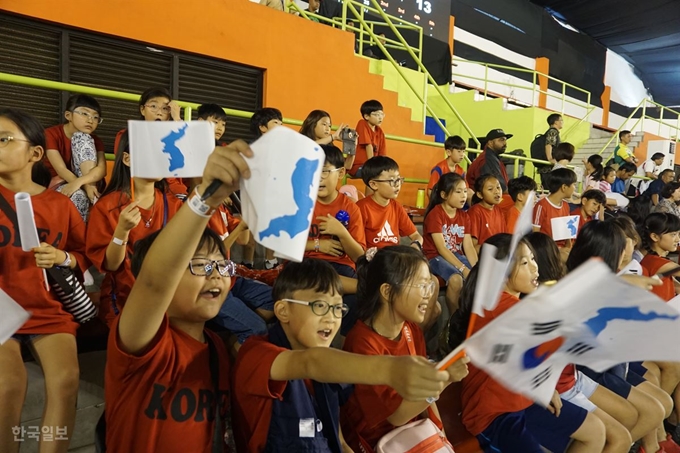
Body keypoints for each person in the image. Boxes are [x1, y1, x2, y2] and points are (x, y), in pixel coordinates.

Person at [103, 140, 251, 452]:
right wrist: (205, 197)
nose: (214, 274)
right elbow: (156, 281)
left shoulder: (219, 351)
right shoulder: (141, 343)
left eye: (219, 265)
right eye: (199, 266)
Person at [232, 258, 461, 453]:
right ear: (283, 310)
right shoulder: (257, 354)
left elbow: (339, 440)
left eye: (337, 308)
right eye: (320, 306)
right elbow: (310, 363)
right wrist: (391, 370)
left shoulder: (333, 365)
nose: (331, 318)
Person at [448, 234, 607, 453]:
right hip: (494, 414)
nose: (535, 268)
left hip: (522, 398)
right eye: (525, 263)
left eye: (533, 259)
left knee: (595, 431)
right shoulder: (498, 306)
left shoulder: (513, 302)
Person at [0, 109, 87, 453]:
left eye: (5, 139)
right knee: (7, 384)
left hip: (49, 308)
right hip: (2, 312)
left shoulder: (60, 204)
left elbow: (84, 255)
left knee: (66, 381)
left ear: (34, 153)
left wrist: (62, 257)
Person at [340, 246, 470, 452]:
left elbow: (424, 394)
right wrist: (444, 378)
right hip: (376, 442)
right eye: (420, 285)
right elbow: (397, 416)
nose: (428, 295)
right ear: (387, 291)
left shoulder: (411, 330)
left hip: (411, 431)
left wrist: (440, 433)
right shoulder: (362, 343)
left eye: (429, 285)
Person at [566, 220, 676, 453]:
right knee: (649, 413)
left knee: (661, 406)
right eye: (621, 247)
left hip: (612, 365)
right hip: (592, 371)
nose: (628, 249)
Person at [86, 135, 183, 326]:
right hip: (123, 299)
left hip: (169, 297)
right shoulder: (107, 207)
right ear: (127, 159)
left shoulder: (175, 205)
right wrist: (122, 231)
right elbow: (111, 265)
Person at [305, 144, 366, 334]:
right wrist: (318, 244)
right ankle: (360, 287)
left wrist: (341, 232)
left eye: (324, 171)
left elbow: (359, 256)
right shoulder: (301, 203)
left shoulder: (351, 207)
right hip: (307, 265)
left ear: (340, 174)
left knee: (356, 303)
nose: (317, 177)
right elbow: (279, 249)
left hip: (342, 268)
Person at [113, 87, 186, 198]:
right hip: (139, 190)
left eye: (165, 109)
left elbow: (187, 159)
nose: (159, 113)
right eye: (153, 106)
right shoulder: (127, 135)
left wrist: (177, 120)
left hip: (174, 192)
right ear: (142, 110)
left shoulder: (171, 137)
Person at [44, 94, 107, 220]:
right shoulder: (50, 134)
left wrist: (82, 183)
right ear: (68, 115)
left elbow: (102, 169)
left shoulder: (94, 140)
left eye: (96, 117)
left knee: (82, 138)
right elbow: (61, 169)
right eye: (84, 114)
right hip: (59, 182)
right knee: (79, 196)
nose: (90, 120)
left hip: (89, 182)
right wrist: (85, 187)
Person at [422, 173, 478, 313]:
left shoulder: (464, 216)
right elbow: (441, 249)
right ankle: (453, 322)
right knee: (456, 280)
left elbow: (468, 246)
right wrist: (463, 269)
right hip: (434, 257)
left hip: (454, 254)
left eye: (465, 191)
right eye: (458, 192)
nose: (463, 196)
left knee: (479, 275)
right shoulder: (436, 214)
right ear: (444, 194)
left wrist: (477, 268)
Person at [241, 107, 283, 269]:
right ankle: (247, 265)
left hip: (273, 196)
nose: (280, 125)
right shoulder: (253, 148)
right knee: (250, 236)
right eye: (275, 122)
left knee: (270, 232)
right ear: (263, 128)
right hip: (253, 196)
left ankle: (270, 263)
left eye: (281, 122)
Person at [357, 156, 422, 250]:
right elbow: (358, 246)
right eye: (391, 181)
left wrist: (415, 245)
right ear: (374, 184)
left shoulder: (397, 207)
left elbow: (416, 235)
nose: (397, 185)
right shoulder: (361, 208)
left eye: (398, 179)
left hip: (393, 258)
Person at [639, 212, 680, 302]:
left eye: (678, 234)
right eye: (673, 235)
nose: (677, 239)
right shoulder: (658, 263)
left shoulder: (651, 259)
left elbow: (676, 287)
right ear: (654, 236)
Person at [533, 168, 577, 249]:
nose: (575, 188)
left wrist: (568, 247)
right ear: (564, 187)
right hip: (547, 249)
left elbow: (568, 232)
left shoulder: (566, 205)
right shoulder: (541, 206)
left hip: (561, 249)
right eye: (574, 185)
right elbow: (535, 235)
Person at [345, 100, 386, 178]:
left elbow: (382, 153)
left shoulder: (380, 131)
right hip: (358, 166)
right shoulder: (362, 123)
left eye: (382, 114)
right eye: (377, 114)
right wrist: (373, 167)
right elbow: (368, 146)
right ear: (366, 116)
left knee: (386, 173)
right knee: (376, 175)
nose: (380, 117)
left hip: (372, 166)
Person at [467, 174, 508, 251]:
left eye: (498, 187)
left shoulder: (499, 210)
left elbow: (504, 239)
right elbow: (472, 247)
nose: (497, 191)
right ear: (479, 194)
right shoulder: (475, 212)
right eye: (490, 189)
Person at [466, 129, 511, 193]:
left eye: (505, 140)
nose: (505, 143)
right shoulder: (486, 159)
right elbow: (494, 188)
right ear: (490, 142)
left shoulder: (493, 157)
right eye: (501, 140)